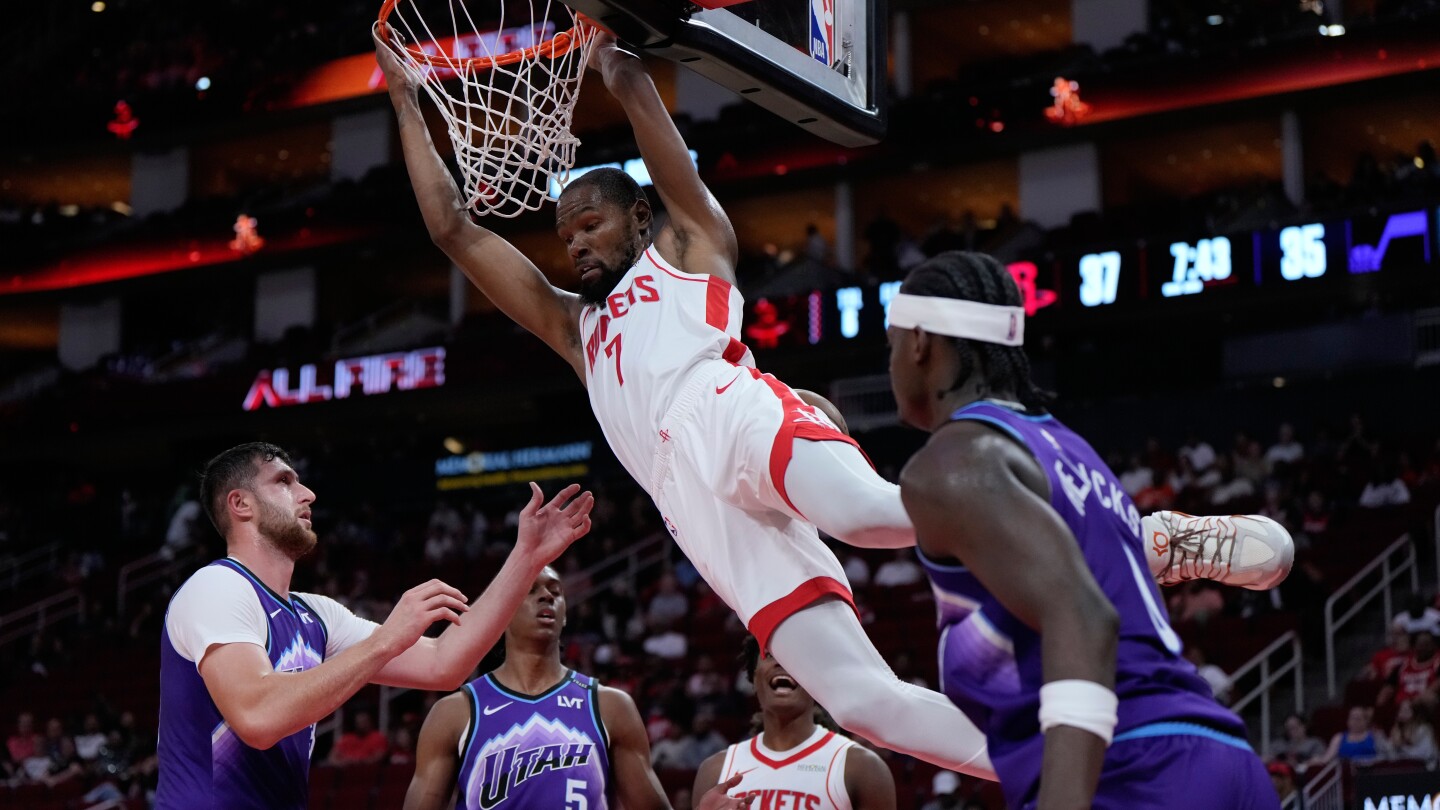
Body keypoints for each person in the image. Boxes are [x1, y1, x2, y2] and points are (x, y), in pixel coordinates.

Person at [375, 26, 1289, 778]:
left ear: (640, 221)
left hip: (728, 408)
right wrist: (407, 99)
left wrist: (623, 75)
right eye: (564, 231)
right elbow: (453, 227)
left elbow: (668, 166)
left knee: (878, 516)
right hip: (687, 505)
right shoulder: (576, 330)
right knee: (865, 704)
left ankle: (1152, 538)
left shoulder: (688, 248)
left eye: (591, 223)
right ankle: (1058, 762)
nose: (572, 244)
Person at [886, 251, 1279, 809]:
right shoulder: (1070, 448)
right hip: (1224, 757)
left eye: (891, 343)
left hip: (1133, 769)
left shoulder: (949, 462)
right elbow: (1271, 550)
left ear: (920, 342)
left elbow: (1086, 617)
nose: (892, 361)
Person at [155, 442, 594, 809]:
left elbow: (444, 663)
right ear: (240, 504)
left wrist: (527, 557)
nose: (307, 494)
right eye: (284, 481)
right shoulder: (216, 587)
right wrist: (385, 640)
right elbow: (258, 715)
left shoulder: (316, 615)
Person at [401, 565, 747, 810]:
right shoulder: (456, 712)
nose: (546, 598)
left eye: (555, 592)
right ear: (501, 610)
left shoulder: (610, 706)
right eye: (531, 590)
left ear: (565, 615)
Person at [693, 637, 894, 810]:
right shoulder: (714, 770)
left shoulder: (861, 767)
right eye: (770, 654)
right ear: (753, 678)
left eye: (795, 654)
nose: (783, 662)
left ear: (817, 680)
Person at [1320, 706, 1391, 764]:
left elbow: (1387, 756)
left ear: (1366, 721)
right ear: (1348, 721)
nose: (1355, 722)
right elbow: (1327, 758)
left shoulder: (1375, 736)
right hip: (1346, 775)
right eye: (1352, 718)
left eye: (1358, 719)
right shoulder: (1339, 737)